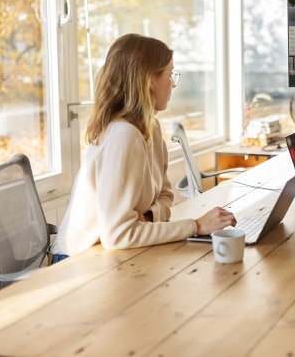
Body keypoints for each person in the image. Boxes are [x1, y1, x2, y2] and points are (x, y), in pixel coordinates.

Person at [50, 34, 236, 262]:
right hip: (76, 261)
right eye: (170, 74)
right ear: (149, 80)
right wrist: (196, 225)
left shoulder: (151, 128)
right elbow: (118, 235)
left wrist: (147, 217)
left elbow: (166, 194)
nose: (173, 83)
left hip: (112, 254)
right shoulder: (123, 137)